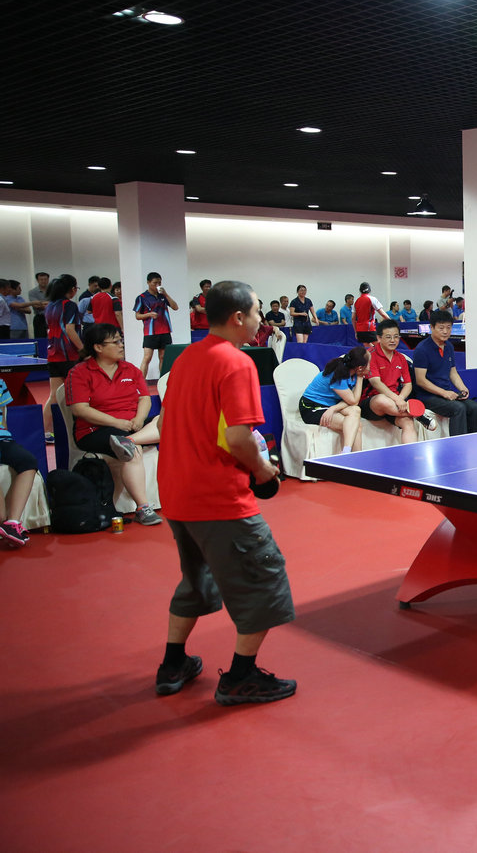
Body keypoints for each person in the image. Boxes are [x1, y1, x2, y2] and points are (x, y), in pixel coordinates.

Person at [155, 279, 296, 705]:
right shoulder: (237, 362)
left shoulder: (185, 357)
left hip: (177, 494)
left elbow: (170, 423)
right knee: (264, 582)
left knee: (196, 579)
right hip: (219, 499)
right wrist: (263, 471)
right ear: (238, 317)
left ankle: (173, 664)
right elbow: (237, 438)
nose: (261, 319)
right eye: (257, 312)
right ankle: (240, 677)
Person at [65, 324, 162, 525]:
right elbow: (80, 409)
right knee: (133, 450)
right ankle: (143, 508)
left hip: (130, 426)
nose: (121, 345)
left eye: (121, 340)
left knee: (166, 420)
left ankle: (128, 440)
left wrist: (138, 420)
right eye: (116, 341)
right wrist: (117, 422)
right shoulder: (80, 373)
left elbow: (144, 398)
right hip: (95, 430)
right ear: (98, 347)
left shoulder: (130, 369)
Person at [410, 309, 477, 435]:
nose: (445, 331)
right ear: (432, 328)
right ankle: (457, 444)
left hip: (445, 394)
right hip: (428, 397)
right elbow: (421, 381)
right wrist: (444, 393)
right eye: (441, 328)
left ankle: (476, 441)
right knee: (458, 408)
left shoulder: (449, 347)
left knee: (475, 407)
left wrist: (463, 388)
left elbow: (453, 372)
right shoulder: (422, 349)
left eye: (448, 327)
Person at [362, 319, 425, 443]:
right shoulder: (369, 355)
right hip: (371, 403)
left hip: (394, 404)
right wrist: (397, 399)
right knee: (381, 400)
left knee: (407, 422)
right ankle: (420, 416)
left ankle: (411, 453)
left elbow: (408, 384)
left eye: (396, 337)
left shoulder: (401, 358)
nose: (393, 340)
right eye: (388, 337)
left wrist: (400, 398)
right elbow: (376, 383)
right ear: (379, 338)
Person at [298, 346, 368, 453]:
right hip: (311, 407)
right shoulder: (339, 374)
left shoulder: (353, 373)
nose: (371, 366)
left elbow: (352, 402)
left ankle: (349, 453)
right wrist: (360, 377)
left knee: (356, 410)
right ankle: (349, 454)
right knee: (354, 425)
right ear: (360, 368)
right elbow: (353, 401)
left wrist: (333, 408)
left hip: (330, 405)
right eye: (369, 363)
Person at [44, 274, 83, 441]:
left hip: (53, 355)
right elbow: (70, 330)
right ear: (72, 289)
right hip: (69, 356)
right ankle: (78, 431)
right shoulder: (70, 305)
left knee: (54, 395)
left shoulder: (49, 306)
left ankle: (45, 432)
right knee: (77, 394)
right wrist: (83, 350)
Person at [0, 379, 39, 547]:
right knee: (0, 516)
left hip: (2, 439)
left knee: (28, 461)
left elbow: (3, 418)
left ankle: (13, 523)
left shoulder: (0, 383)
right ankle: (4, 521)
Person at [133, 271, 179, 376]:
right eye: (155, 283)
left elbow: (175, 307)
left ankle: (162, 381)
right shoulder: (142, 297)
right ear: (148, 282)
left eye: (159, 283)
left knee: (163, 357)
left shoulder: (163, 296)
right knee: (147, 358)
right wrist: (149, 314)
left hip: (165, 330)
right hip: (150, 332)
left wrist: (165, 294)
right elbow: (137, 316)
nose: (157, 285)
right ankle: (140, 383)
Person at [28, 272, 50, 337]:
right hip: (40, 318)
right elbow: (36, 306)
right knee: (40, 338)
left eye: (45, 279)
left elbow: (57, 303)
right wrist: (50, 304)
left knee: (54, 338)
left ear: (48, 280)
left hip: (53, 317)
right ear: (37, 280)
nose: (43, 281)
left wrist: (41, 303)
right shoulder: (32, 292)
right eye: (41, 279)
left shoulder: (54, 290)